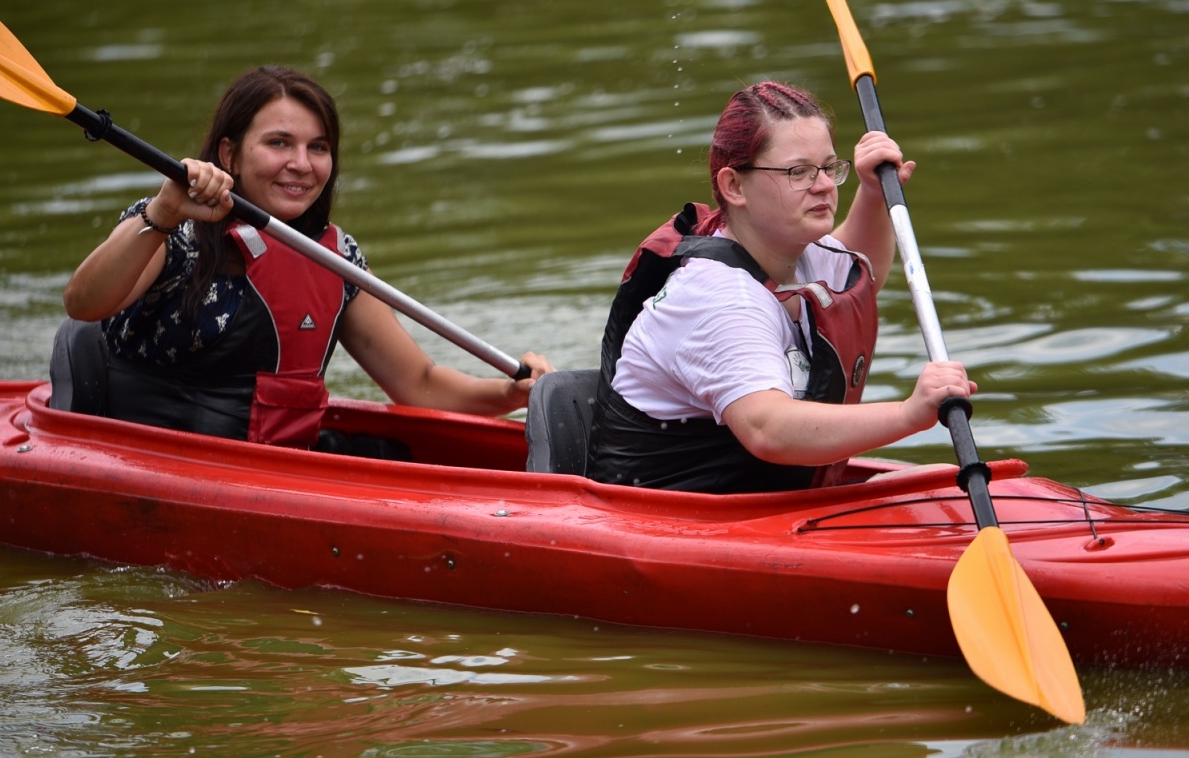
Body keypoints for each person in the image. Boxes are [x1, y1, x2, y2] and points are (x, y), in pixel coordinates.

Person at [61, 65, 551, 448]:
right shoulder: (173, 230)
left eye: (318, 147)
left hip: (279, 470)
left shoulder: (337, 257)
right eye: (279, 143)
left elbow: (419, 384)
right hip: (153, 462)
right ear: (229, 154)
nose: (301, 164)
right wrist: (163, 210)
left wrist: (509, 394)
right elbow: (83, 303)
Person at [587, 81, 975, 493]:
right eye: (799, 172)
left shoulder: (796, 247)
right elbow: (767, 428)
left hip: (759, 500)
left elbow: (859, 277)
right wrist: (908, 414)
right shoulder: (720, 299)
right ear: (734, 187)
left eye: (829, 167)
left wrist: (872, 193)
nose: (824, 184)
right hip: (671, 516)